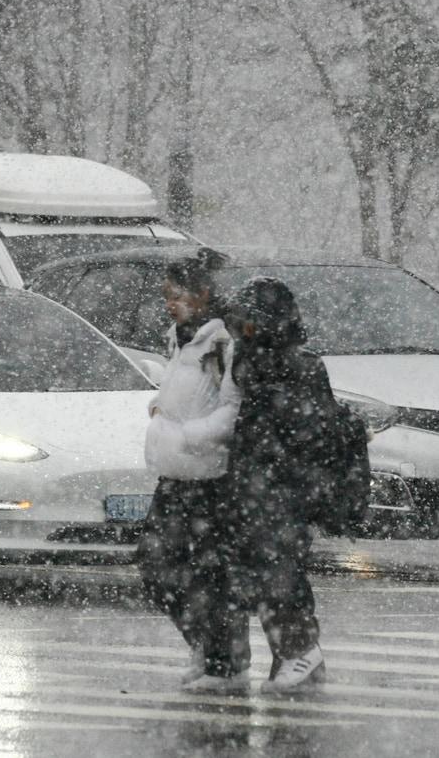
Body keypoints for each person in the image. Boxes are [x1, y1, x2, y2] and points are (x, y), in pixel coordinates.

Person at [215, 276, 336, 695]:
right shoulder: (243, 360)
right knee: (260, 572)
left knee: (279, 572)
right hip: (251, 484)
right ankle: (294, 652)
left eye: (248, 321)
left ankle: (300, 650)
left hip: (282, 488)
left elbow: (313, 433)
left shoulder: (300, 365)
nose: (241, 330)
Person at [135, 249, 244, 692]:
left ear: (202, 294)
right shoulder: (178, 339)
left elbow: (233, 409)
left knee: (207, 576)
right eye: (165, 295)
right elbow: (182, 393)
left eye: (175, 294)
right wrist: (161, 409)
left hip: (210, 480)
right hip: (175, 476)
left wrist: (191, 435)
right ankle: (205, 646)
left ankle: (223, 665)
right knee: (156, 566)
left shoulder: (221, 344)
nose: (169, 303)